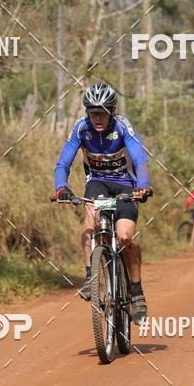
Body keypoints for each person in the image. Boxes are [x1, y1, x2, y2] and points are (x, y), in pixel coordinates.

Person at [53, 82, 152, 322]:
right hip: (97, 184)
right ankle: (90, 277)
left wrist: (143, 186)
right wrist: (61, 188)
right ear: (87, 111)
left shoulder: (122, 125)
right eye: (93, 112)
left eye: (103, 112)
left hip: (125, 187)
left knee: (126, 237)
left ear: (112, 110)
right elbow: (63, 163)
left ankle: (137, 294)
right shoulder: (81, 128)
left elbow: (140, 159)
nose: (97, 117)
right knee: (91, 219)